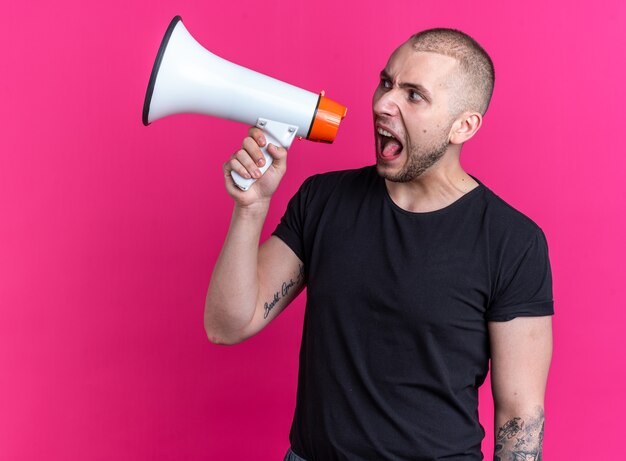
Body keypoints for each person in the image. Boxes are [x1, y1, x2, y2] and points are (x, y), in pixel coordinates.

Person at [205, 28, 553, 461]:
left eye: (413, 95)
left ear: (463, 126)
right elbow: (227, 325)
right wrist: (250, 209)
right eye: (386, 83)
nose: (382, 104)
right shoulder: (323, 200)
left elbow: (520, 415)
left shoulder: (512, 242)